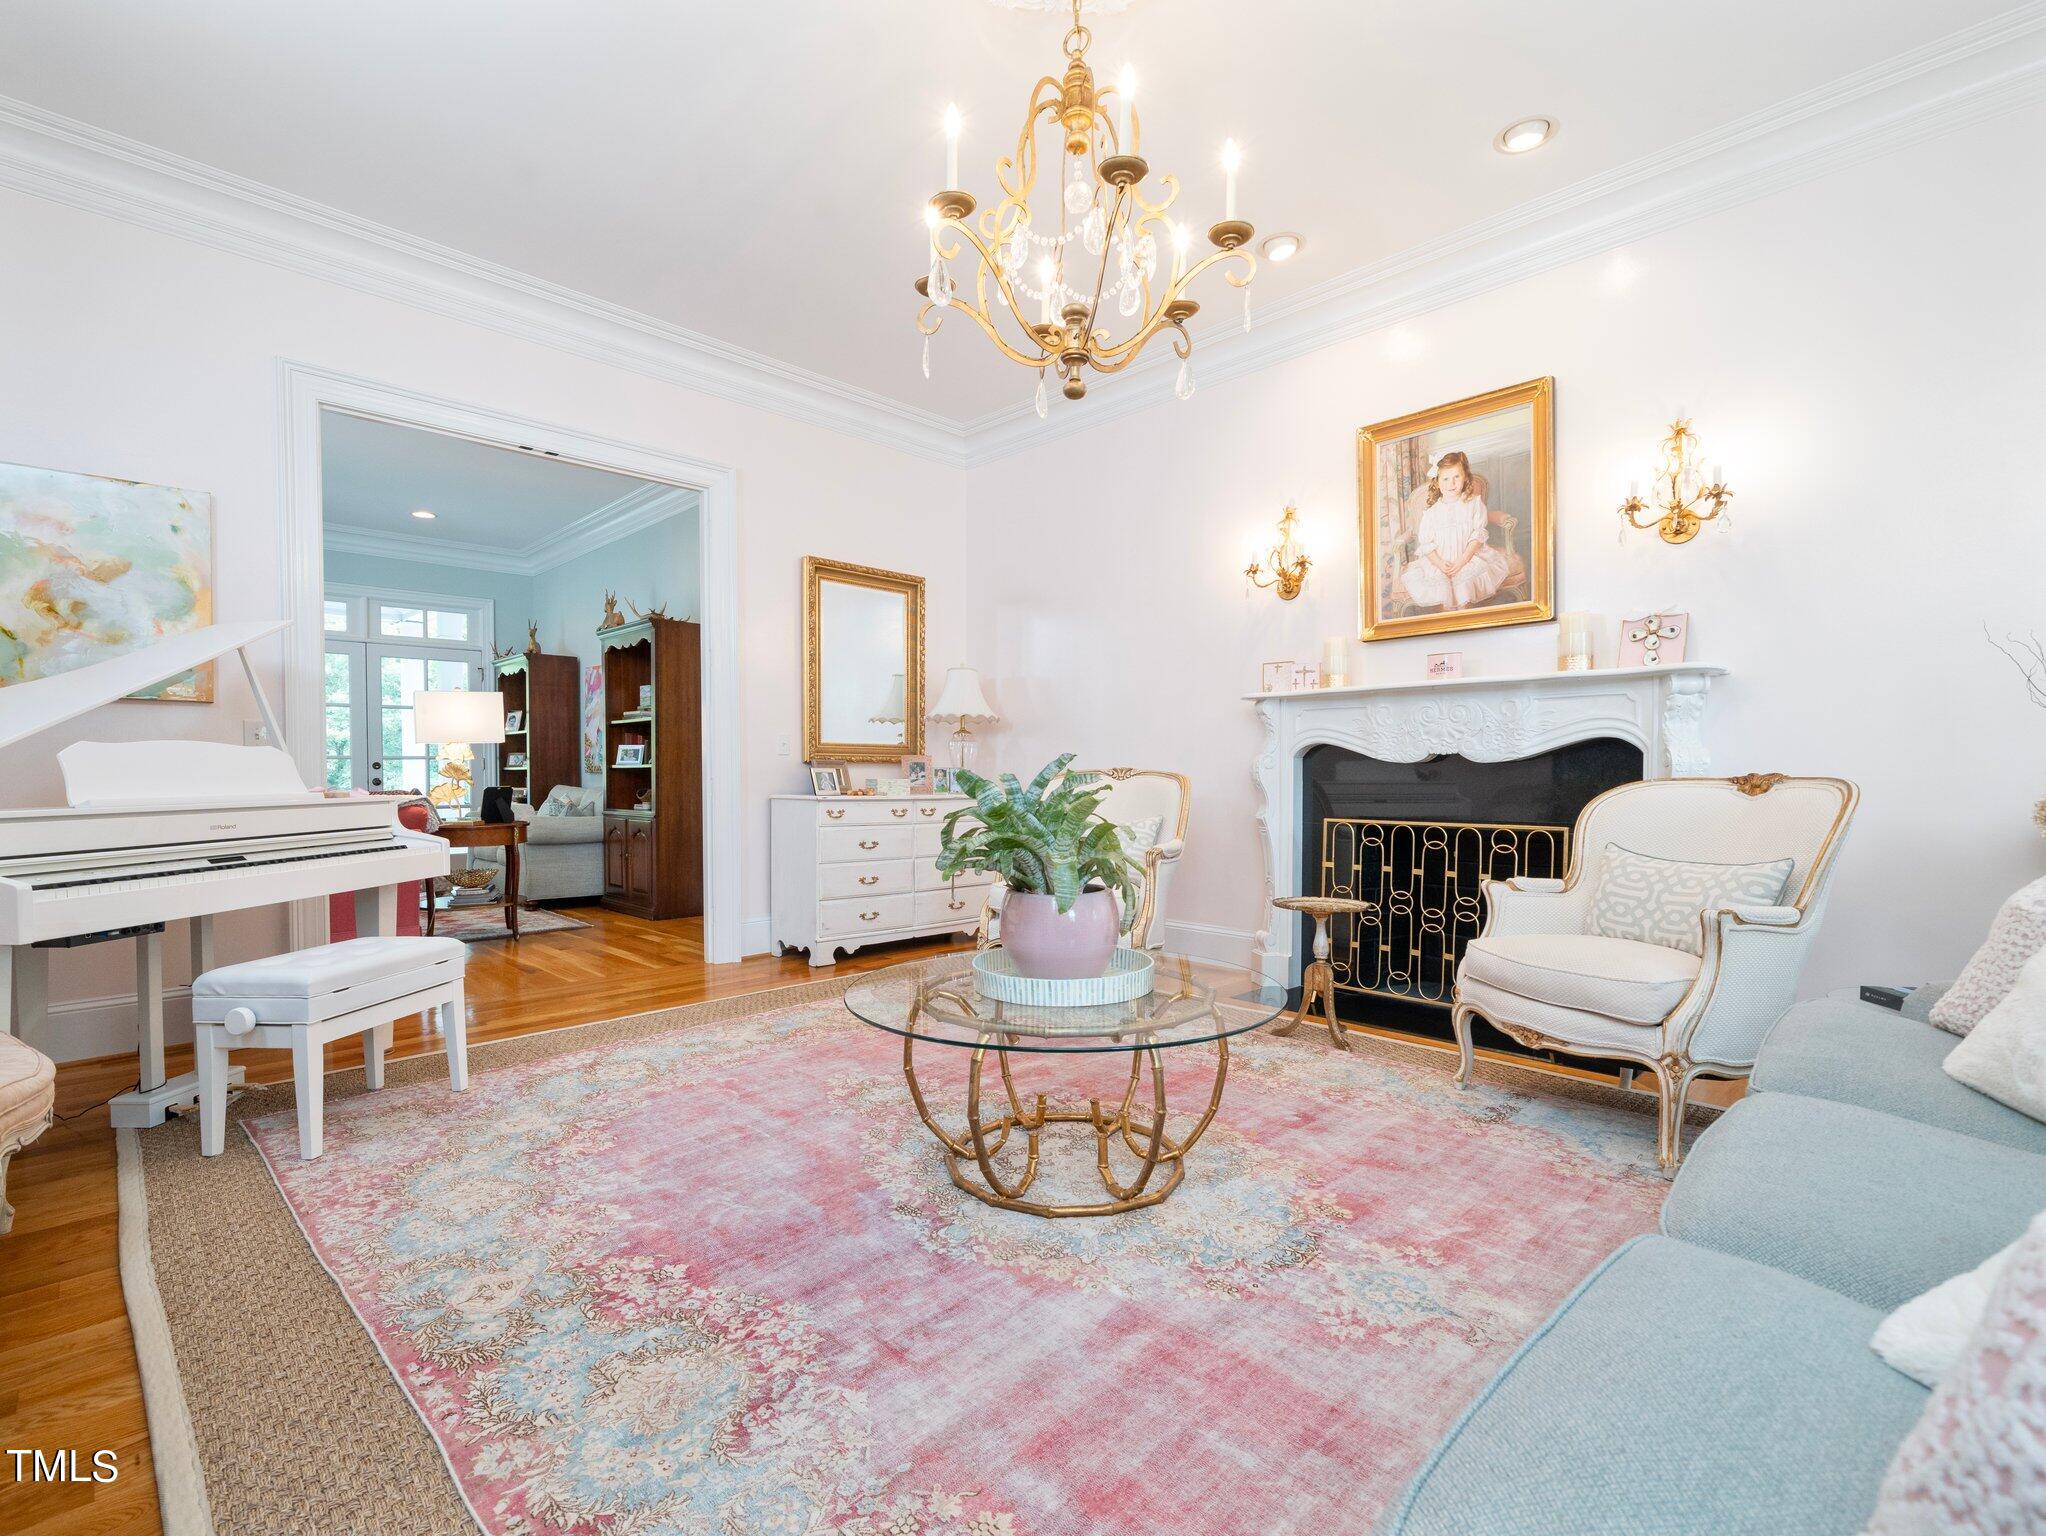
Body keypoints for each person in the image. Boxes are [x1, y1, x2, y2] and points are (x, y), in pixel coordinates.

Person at [1397, 450, 1512, 610]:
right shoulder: (1431, 514)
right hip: (1440, 563)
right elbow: (1426, 545)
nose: (1451, 483)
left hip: (1468, 558)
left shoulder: (1473, 504)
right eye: (1445, 478)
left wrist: (1462, 561)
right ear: (1437, 482)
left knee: (1465, 592)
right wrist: (1440, 564)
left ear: (1465, 477)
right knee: (1443, 595)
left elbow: (1477, 537)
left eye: (1456, 477)